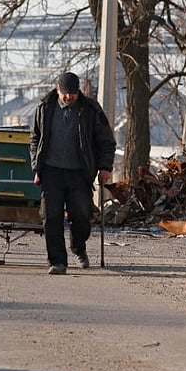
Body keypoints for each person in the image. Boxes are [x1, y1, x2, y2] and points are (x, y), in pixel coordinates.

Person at [30, 72, 116, 275]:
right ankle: (58, 261)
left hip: (80, 172)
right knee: (51, 216)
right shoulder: (45, 108)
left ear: (79, 91)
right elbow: (35, 139)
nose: (69, 98)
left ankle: (78, 247)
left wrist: (105, 167)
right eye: (66, 94)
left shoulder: (91, 110)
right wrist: (37, 167)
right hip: (51, 171)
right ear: (57, 89)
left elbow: (106, 141)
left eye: (73, 94)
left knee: (81, 214)